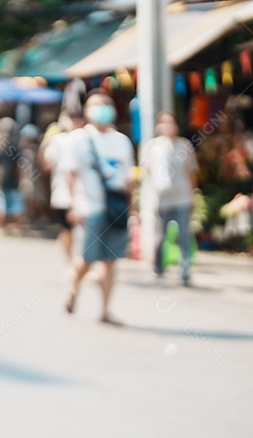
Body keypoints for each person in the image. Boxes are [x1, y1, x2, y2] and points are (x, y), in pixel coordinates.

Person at [63, 91, 135, 325]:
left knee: (111, 261)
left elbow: (128, 179)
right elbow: (70, 175)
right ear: (87, 111)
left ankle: (105, 310)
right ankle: (74, 287)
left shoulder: (122, 141)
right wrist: (72, 205)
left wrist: (132, 207)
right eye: (97, 105)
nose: (103, 109)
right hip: (90, 208)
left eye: (107, 104)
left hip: (117, 208)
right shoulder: (78, 139)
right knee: (87, 258)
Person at [140, 111, 198, 286]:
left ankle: (185, 270)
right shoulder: (152, 147)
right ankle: (158, 267)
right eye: (164, 123)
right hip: (162, 199)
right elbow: (146, 173)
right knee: (160, 235)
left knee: (184, 234)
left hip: (183, 197)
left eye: (171, 122)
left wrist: (193, 194)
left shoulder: (184, 145)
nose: (167, 126)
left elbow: (192, 172)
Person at [40, 110, 87, 264]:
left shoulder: (88, 139)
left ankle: (78, 262)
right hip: (63, 193)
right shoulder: (58, 140)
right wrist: (46, 142)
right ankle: (70, 262)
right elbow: (46, 166)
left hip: (85, 193)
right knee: (67, 229)